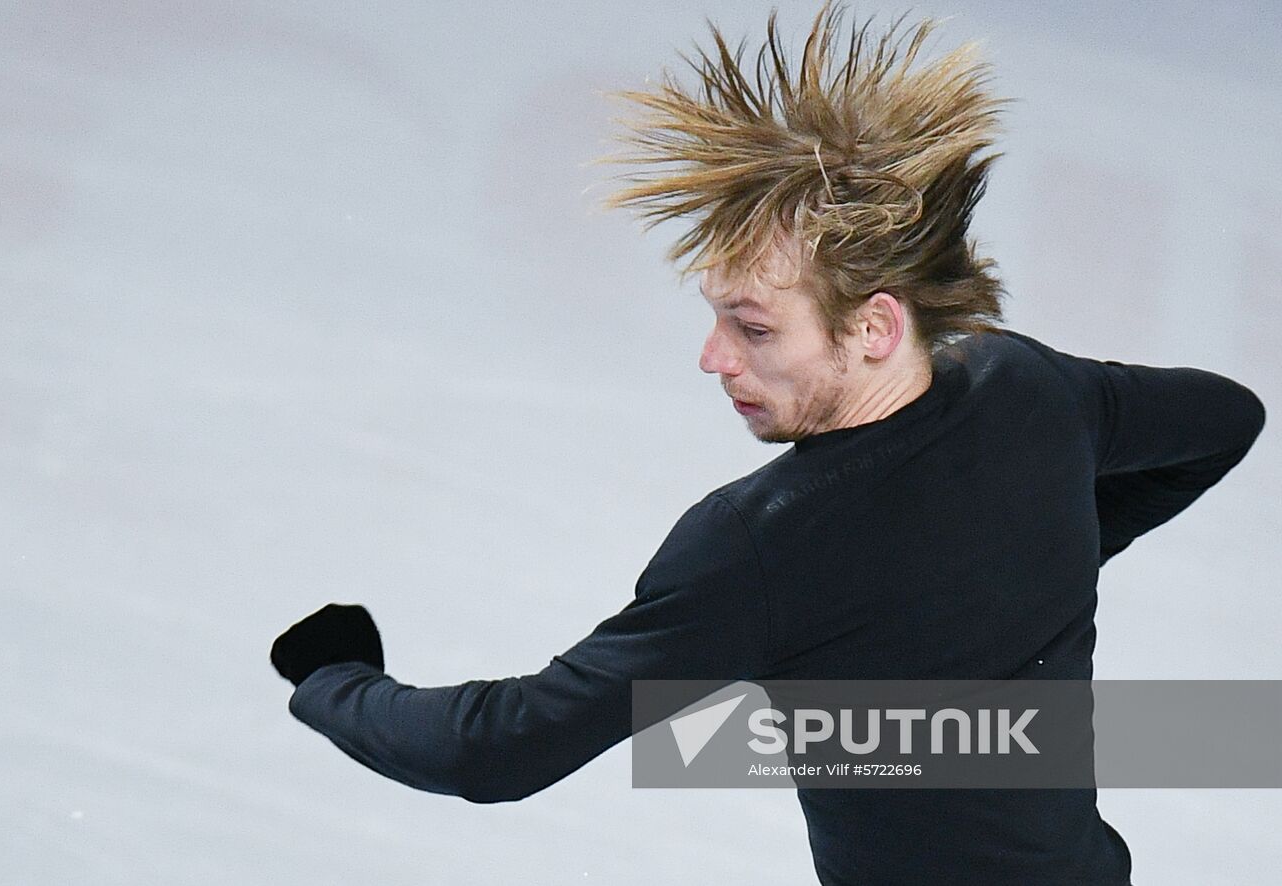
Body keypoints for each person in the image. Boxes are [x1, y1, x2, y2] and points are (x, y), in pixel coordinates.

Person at [270, 3, 1266, 883]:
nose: (711, 358)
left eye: (751, 328)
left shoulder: (763, 542)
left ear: (870, 326)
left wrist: (334, 680)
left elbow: (492, 752)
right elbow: (1224, 420)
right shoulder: (1028, 390)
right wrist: (1032, 558)